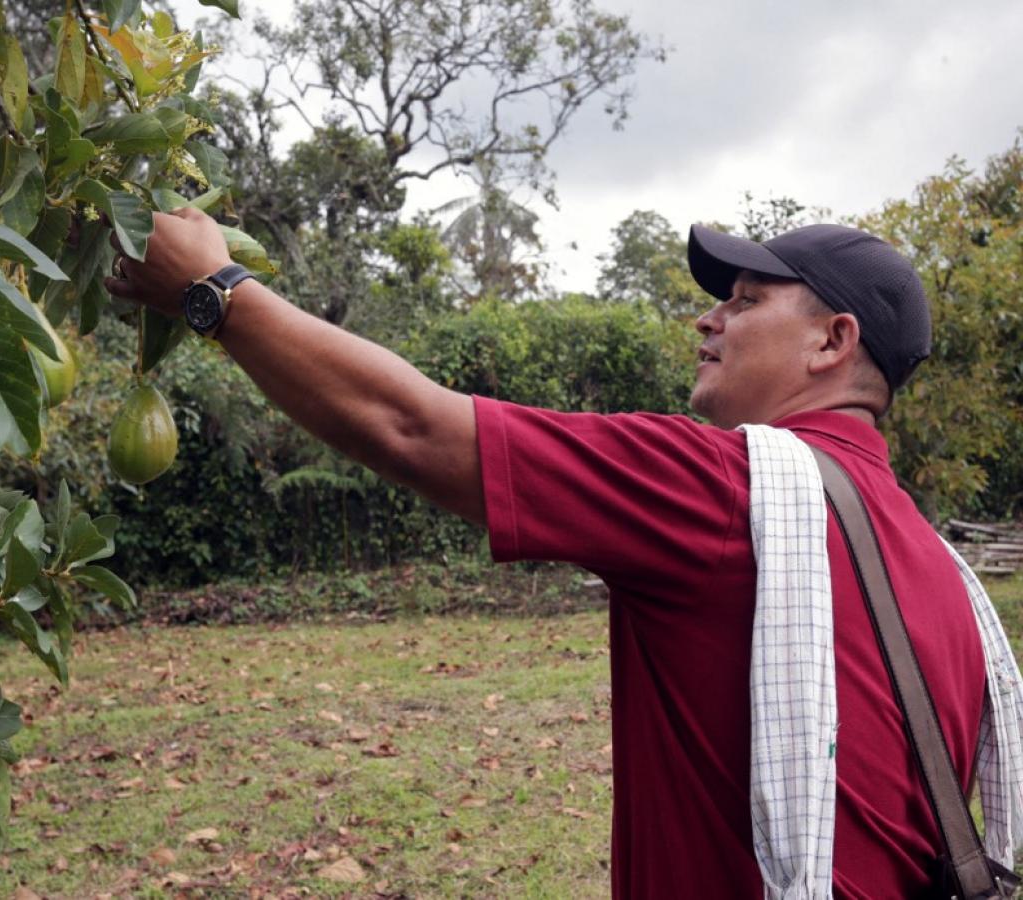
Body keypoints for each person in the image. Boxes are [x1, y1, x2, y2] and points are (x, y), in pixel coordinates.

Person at [105, 210, 994, 898]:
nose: (708, 319)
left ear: (833, 342)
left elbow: (411, 427)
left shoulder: (724, 491)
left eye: (745, 300)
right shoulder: (947, 578)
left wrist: (212, 290)